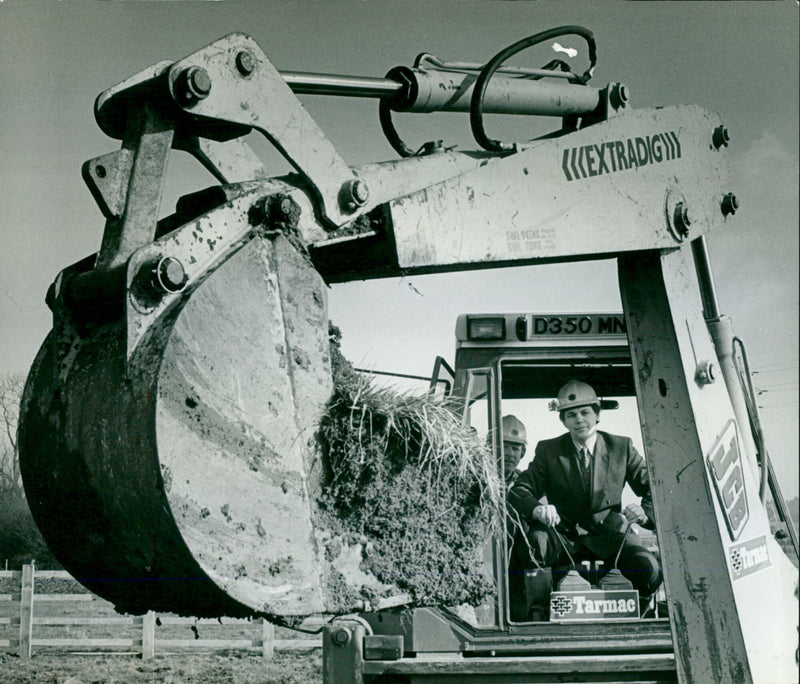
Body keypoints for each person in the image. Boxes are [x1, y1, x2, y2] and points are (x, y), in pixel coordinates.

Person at [507, 380, 662, 621]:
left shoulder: (622, 447)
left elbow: (655, 488)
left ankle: (639, 616)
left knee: (648, 567)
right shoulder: (548, 451)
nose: (579, 419)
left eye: (585, 412)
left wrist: (643, 514)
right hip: (563, 536)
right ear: (563, 420)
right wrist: (538, 509)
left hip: (610, 536)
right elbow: (520, 490)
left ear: (597, 415)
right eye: (571, 415)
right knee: (536, 542)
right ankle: (539, 617)